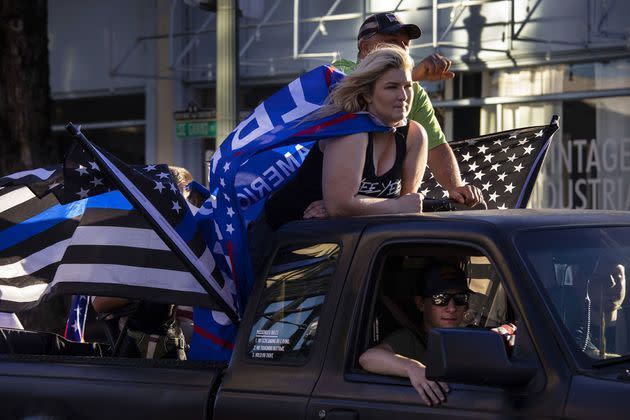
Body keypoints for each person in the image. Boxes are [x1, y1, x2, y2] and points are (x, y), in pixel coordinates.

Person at [263, 45, 427, 230]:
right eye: (392, 87)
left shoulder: (415, 135)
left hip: (346, 241)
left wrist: (354, 206)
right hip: (281, 235)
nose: (403, 96)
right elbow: (342, 207)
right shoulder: (352, 131)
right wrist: (393, 206)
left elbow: (408, 206)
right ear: (367, 94)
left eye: (407, 86)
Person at [333, 12, 483, 207]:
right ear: (365, 47)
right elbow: (352, 97)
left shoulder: (416, 93)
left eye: (406, 45)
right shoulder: (338, 72)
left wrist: (455, 188)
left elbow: (436, 146)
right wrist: (411, 76)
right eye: (393, 42)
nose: (402, 50)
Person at [91, 166, 194, 360]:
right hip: (137, 349)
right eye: (176, 198)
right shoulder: (126, 240)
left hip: (186, 345)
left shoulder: (191, 240)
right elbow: (99, 303)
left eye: (183, 198)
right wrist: (148, 291)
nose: (180, 207)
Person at [359, 263, 473, 406]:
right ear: (421, 304)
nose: (451, 308)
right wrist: (412, 368)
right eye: (440, 298)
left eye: (460, 298)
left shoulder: (473, 337)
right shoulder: (409, 340)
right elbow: (368, 358)